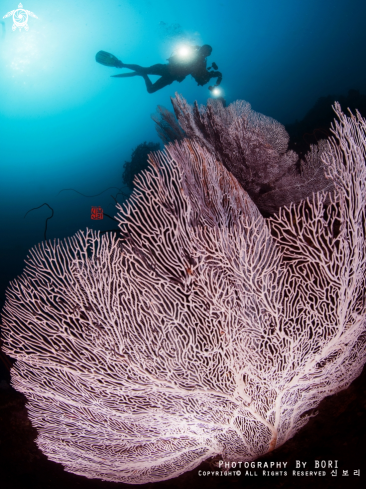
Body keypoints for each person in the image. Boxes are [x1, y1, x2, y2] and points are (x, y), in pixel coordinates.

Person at [95, 45, 222, 94]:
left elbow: (211, 75)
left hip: (171, 78)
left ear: (208, 55)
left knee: (150, 90)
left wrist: (215, 84)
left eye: (208, 52)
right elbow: (177, 53)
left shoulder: (202, 64)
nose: (205, 53)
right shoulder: (191, 50)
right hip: (165, 68)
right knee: (144, 69)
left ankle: (143, 75)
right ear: (202, 49)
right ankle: (120, 63)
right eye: (205, 50)